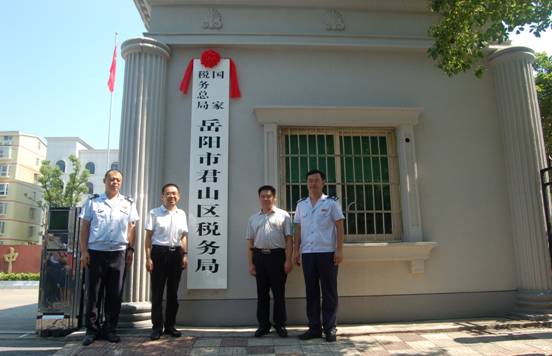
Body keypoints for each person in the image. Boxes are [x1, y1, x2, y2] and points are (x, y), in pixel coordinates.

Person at [79, 169, 139, 346]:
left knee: (115, 294)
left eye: (118, 180)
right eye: (112, 179)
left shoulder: (128, 203)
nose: (115, 182)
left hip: (118, 253)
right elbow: (85, 228)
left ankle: (110, 329)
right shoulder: (93, 202)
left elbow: (131, 228)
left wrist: (130, 249)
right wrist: (84, 252)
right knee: (93, 293)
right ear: (104, 180)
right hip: (96, 252)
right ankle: (91, 330)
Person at [293, 169, 345, 342]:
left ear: (323, 182)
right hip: (308, 253)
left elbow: (339, 227)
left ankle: (330, 328)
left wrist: (339, 250)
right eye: (309, 180)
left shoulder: (331, 203)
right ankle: (314, 327)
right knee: (311, 292)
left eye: (316, 180)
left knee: (329, 291)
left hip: (327, 253)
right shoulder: (301, 204)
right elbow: (298, 229)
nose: (312, 184)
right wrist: (296, 251)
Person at [246, 185, 293, 337]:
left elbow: (289, 239)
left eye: (269, 196)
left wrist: (288, 260)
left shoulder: (283, 215)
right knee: (262, 293)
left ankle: (280, 325)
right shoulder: (253, 218)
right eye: (263, 196)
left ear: (274, 198)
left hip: (277, 257)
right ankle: (263, 325)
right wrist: (251, 263)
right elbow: (250, 244)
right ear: (259, 198)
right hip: (259, 257)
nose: (266, 199)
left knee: (279, 293)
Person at [144, 183, 188, 340]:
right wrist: (148, 258)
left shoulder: (181, 214)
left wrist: (185, 255)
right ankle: (157, 327)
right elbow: (148, 238)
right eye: (168, 193)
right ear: (162, 196)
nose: (172, 196)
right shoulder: (154, 213)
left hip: (176, 253)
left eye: (174, 193)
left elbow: (183, 236)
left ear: (179, 196)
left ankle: (170, 326)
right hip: (159, 253)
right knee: (157, 293)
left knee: (173, 293)